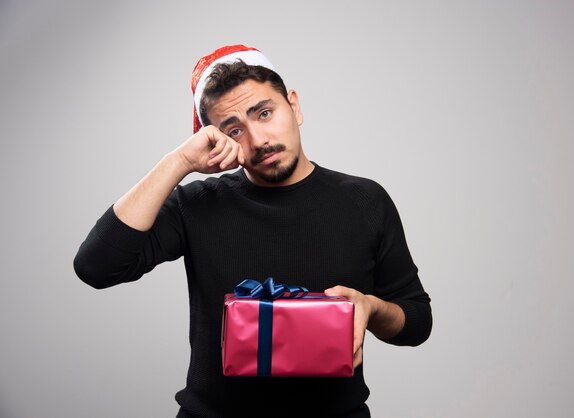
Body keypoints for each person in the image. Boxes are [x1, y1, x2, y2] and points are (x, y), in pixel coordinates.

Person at [74, 44, 432, 418]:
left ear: (293, 106)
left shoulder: (365, 200)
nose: (258, 140)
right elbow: (96, 267)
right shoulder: (196, 204)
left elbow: (417, 322)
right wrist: (177, 162)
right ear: (217, 139)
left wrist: (372, 308)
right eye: (234, 129)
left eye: (264, 113)